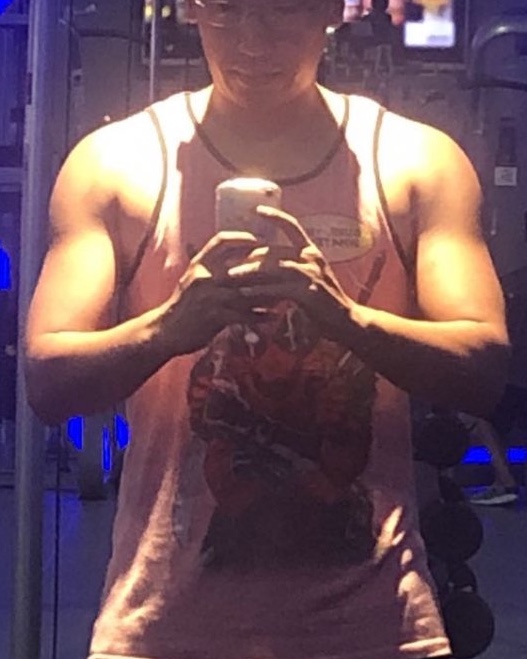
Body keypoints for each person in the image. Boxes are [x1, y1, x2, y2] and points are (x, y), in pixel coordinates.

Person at [25, 1, 509, 658]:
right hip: (165, 631)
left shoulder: (416, 163)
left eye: (282, 8)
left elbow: (482, 366)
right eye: (228, 8)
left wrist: (345, 319)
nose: (254, 38)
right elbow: (48, 380)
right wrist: (170, 327)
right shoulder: (115, 166)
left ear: (330, 9)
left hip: (374, 629)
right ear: (191, 7)